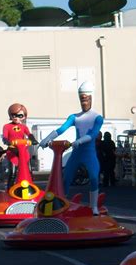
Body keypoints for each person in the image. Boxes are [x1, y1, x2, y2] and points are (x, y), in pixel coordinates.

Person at [39, 81, 103, 215]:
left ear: (92, 97)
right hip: (76, 152)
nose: (84, 102)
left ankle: (94, 207)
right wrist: (46, 139)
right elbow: (61, 129)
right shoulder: (74, 117)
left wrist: (79, 141)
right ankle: (61, 203)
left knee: (94, 177)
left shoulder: (97, 117)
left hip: (88, 152)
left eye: (86, 99)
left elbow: (93, 134)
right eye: (82, 99)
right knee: (66, 177)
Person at [2, 103, 38, 190]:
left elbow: (29, 134)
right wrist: (7, 142)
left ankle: (30, 188)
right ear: (10, 115)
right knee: (13, 172)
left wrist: (33, 140)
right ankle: (9, 190)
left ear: (24, 116)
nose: (17, 117)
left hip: (23, 151)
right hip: (13, 151)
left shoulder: (24, 127)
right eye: (14, 115)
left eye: (20, 115)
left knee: (28, 171)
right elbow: (5, 137)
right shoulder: (7, 126)